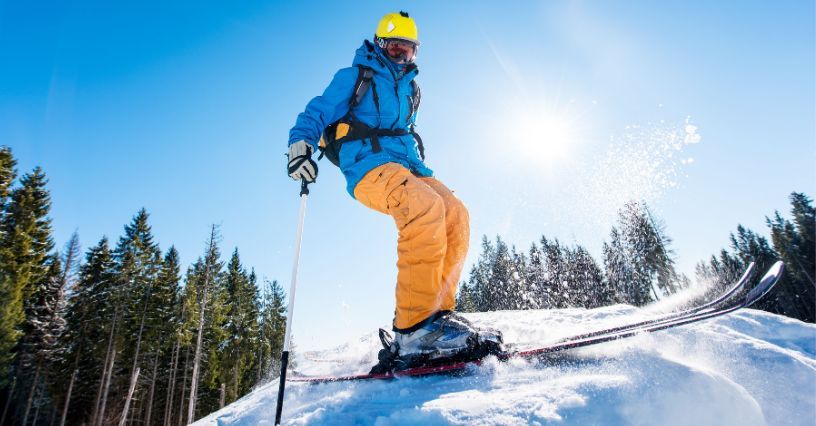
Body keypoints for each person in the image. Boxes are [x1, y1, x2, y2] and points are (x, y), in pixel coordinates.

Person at [286, 11, 501, 366]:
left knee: (456, 214)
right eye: (395, 48)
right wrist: (299, 148)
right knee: (423, 207)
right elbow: (316, 112)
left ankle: (437, 317)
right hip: (367, 167)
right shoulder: (356, 76)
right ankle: (413, 329)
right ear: (380, 45)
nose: (402, 57)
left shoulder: (411, 89)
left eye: (408, 51)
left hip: (408, 167)